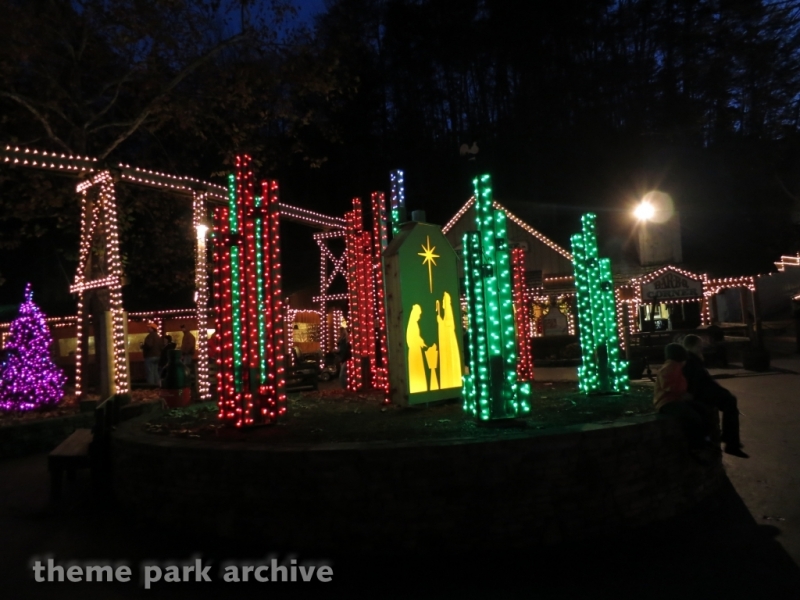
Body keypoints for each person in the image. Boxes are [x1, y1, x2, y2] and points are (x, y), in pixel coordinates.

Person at [683, 334, 748, 458]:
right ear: (692, 346)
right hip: (703, 393)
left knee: (730, 402)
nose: (702, 348)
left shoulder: (692, 359)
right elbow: (697, 381)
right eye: (699, 346)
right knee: (730, 402)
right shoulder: (691, 360)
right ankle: (731, 442)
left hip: (705, 391)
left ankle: (730, 440)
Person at [654, 343, 709, 449]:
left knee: (701, 410)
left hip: (674, 399)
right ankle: (696, 445)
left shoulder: (675, 366)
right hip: (666, 402)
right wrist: (683, 393)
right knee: (692, 416)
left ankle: (703, 440)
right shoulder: (670, 368)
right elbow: (669, 386)